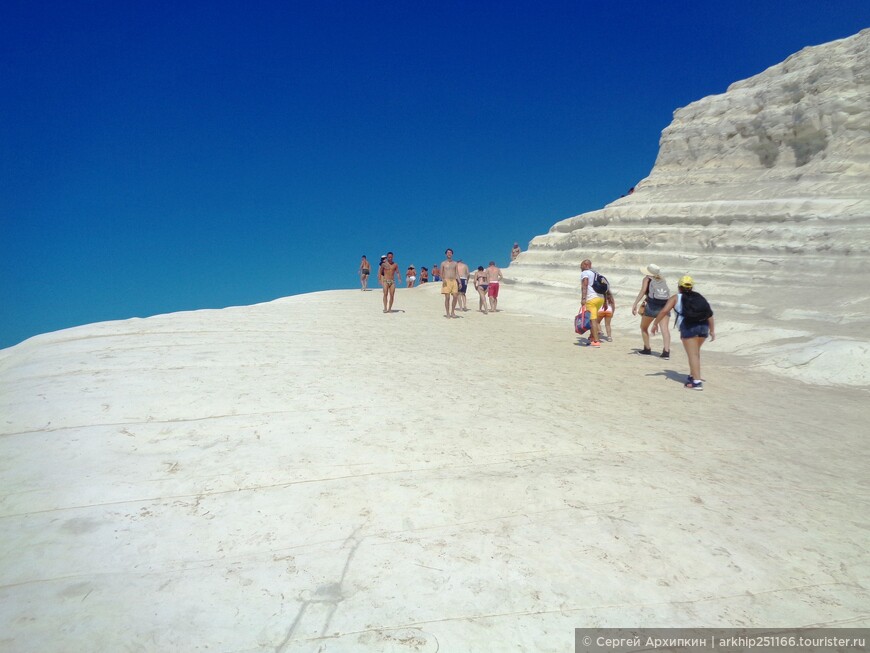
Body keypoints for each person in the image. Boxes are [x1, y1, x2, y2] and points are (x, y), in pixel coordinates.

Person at [651, 275, 715, 391]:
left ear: (679, 286)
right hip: (703, 326)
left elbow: (665, 310)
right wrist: (712, 330)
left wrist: (655, 323)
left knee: (693, 355)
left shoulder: (676, 298)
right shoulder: (699, 297)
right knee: (696, 353)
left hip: (689, 327)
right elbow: (709, 314)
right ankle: (692, 376)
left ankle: (696, 382)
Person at [631, 263, 672, 358]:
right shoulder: (662, 279)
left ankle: (647, 348)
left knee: (644, 327)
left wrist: (635, 303)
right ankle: (666, 352)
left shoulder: (647, 279)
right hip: (664, 306)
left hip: (652, 305)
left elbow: (643, 291)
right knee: (665, 329)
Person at [579, 259, 604, 347]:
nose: (580, 268)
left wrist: (583, 298)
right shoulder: (596, 273)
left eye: (581, 266)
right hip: (600, 298)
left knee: (592, 319)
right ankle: (592, 337)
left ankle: (596, 341)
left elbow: (585, 285)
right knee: (593, 318)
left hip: (591, 299)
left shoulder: (585, 273)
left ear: (586, 265)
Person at [440, 248, 459, 318]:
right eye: (448, 253)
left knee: (455, 296)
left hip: (454, 281)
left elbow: (457, 273)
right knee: (447, 297)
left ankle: (452, 311)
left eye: (450, 253)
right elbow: (441, 273)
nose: (449, 254)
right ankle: (447, 313)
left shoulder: (455, 263)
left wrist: (459, 282)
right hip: (446, 281)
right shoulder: (443, 263)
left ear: (452, 254)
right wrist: (443, 279)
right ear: (446, 254)